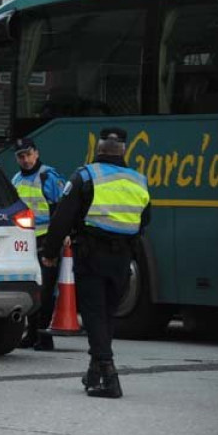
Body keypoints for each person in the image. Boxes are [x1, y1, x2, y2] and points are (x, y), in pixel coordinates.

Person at [42, 128, 150, 399]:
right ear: (123, 152)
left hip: (91, 256)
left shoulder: (86, 175)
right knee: (106, 315)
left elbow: (62, 218)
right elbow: (145, 220)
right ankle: (94, 372)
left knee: (93, 315)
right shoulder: (139, 180)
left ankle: (109, 373)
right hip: (124, 258)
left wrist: (50, 252)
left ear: (98, 151)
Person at [11, 137, 65, 351]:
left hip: (46, 240)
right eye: (21, 156)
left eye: (28, 154)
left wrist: (58, 238)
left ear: (37, 153)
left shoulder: (48, 177)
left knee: (45, 290)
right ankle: (32, 333)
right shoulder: (16, 180)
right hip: (25, 241)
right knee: (31, 288)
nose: (26, 160)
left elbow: (60, 211)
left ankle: (44, 336)